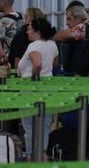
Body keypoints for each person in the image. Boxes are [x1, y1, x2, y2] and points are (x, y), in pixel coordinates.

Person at [18, 16, 57, 157]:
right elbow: (55, 63)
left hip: (31, 89)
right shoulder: (52, 45)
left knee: (29, 128)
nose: (27, 32)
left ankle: (31, 157)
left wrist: (34, 78)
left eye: (29, 29)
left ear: (37, 31)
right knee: (45, 126)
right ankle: (43, 156)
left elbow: (37, 63)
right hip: (49, 88)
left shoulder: (34, 46)